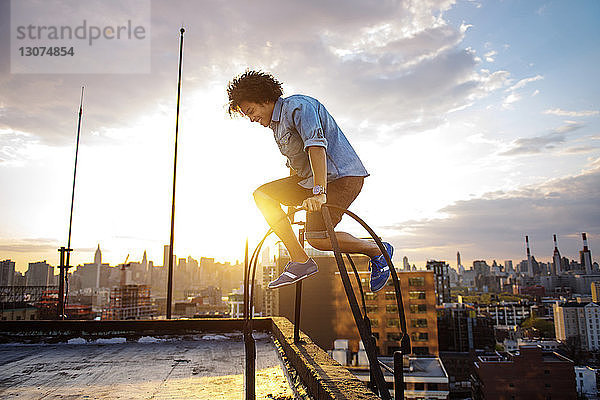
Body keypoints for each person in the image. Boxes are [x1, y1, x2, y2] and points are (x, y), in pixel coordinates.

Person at [227, 70, 393, 291]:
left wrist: (318, 192)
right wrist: (289, 202)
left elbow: (316, 147)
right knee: (263, 196)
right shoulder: (277, 126)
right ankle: (300, 261)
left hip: (340, 178)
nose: (252, 118)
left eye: (251, 111)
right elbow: (295, 166)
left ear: (265, 99)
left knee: (319, 238)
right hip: (310, 181)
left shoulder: (298, 107)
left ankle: (378, 250)